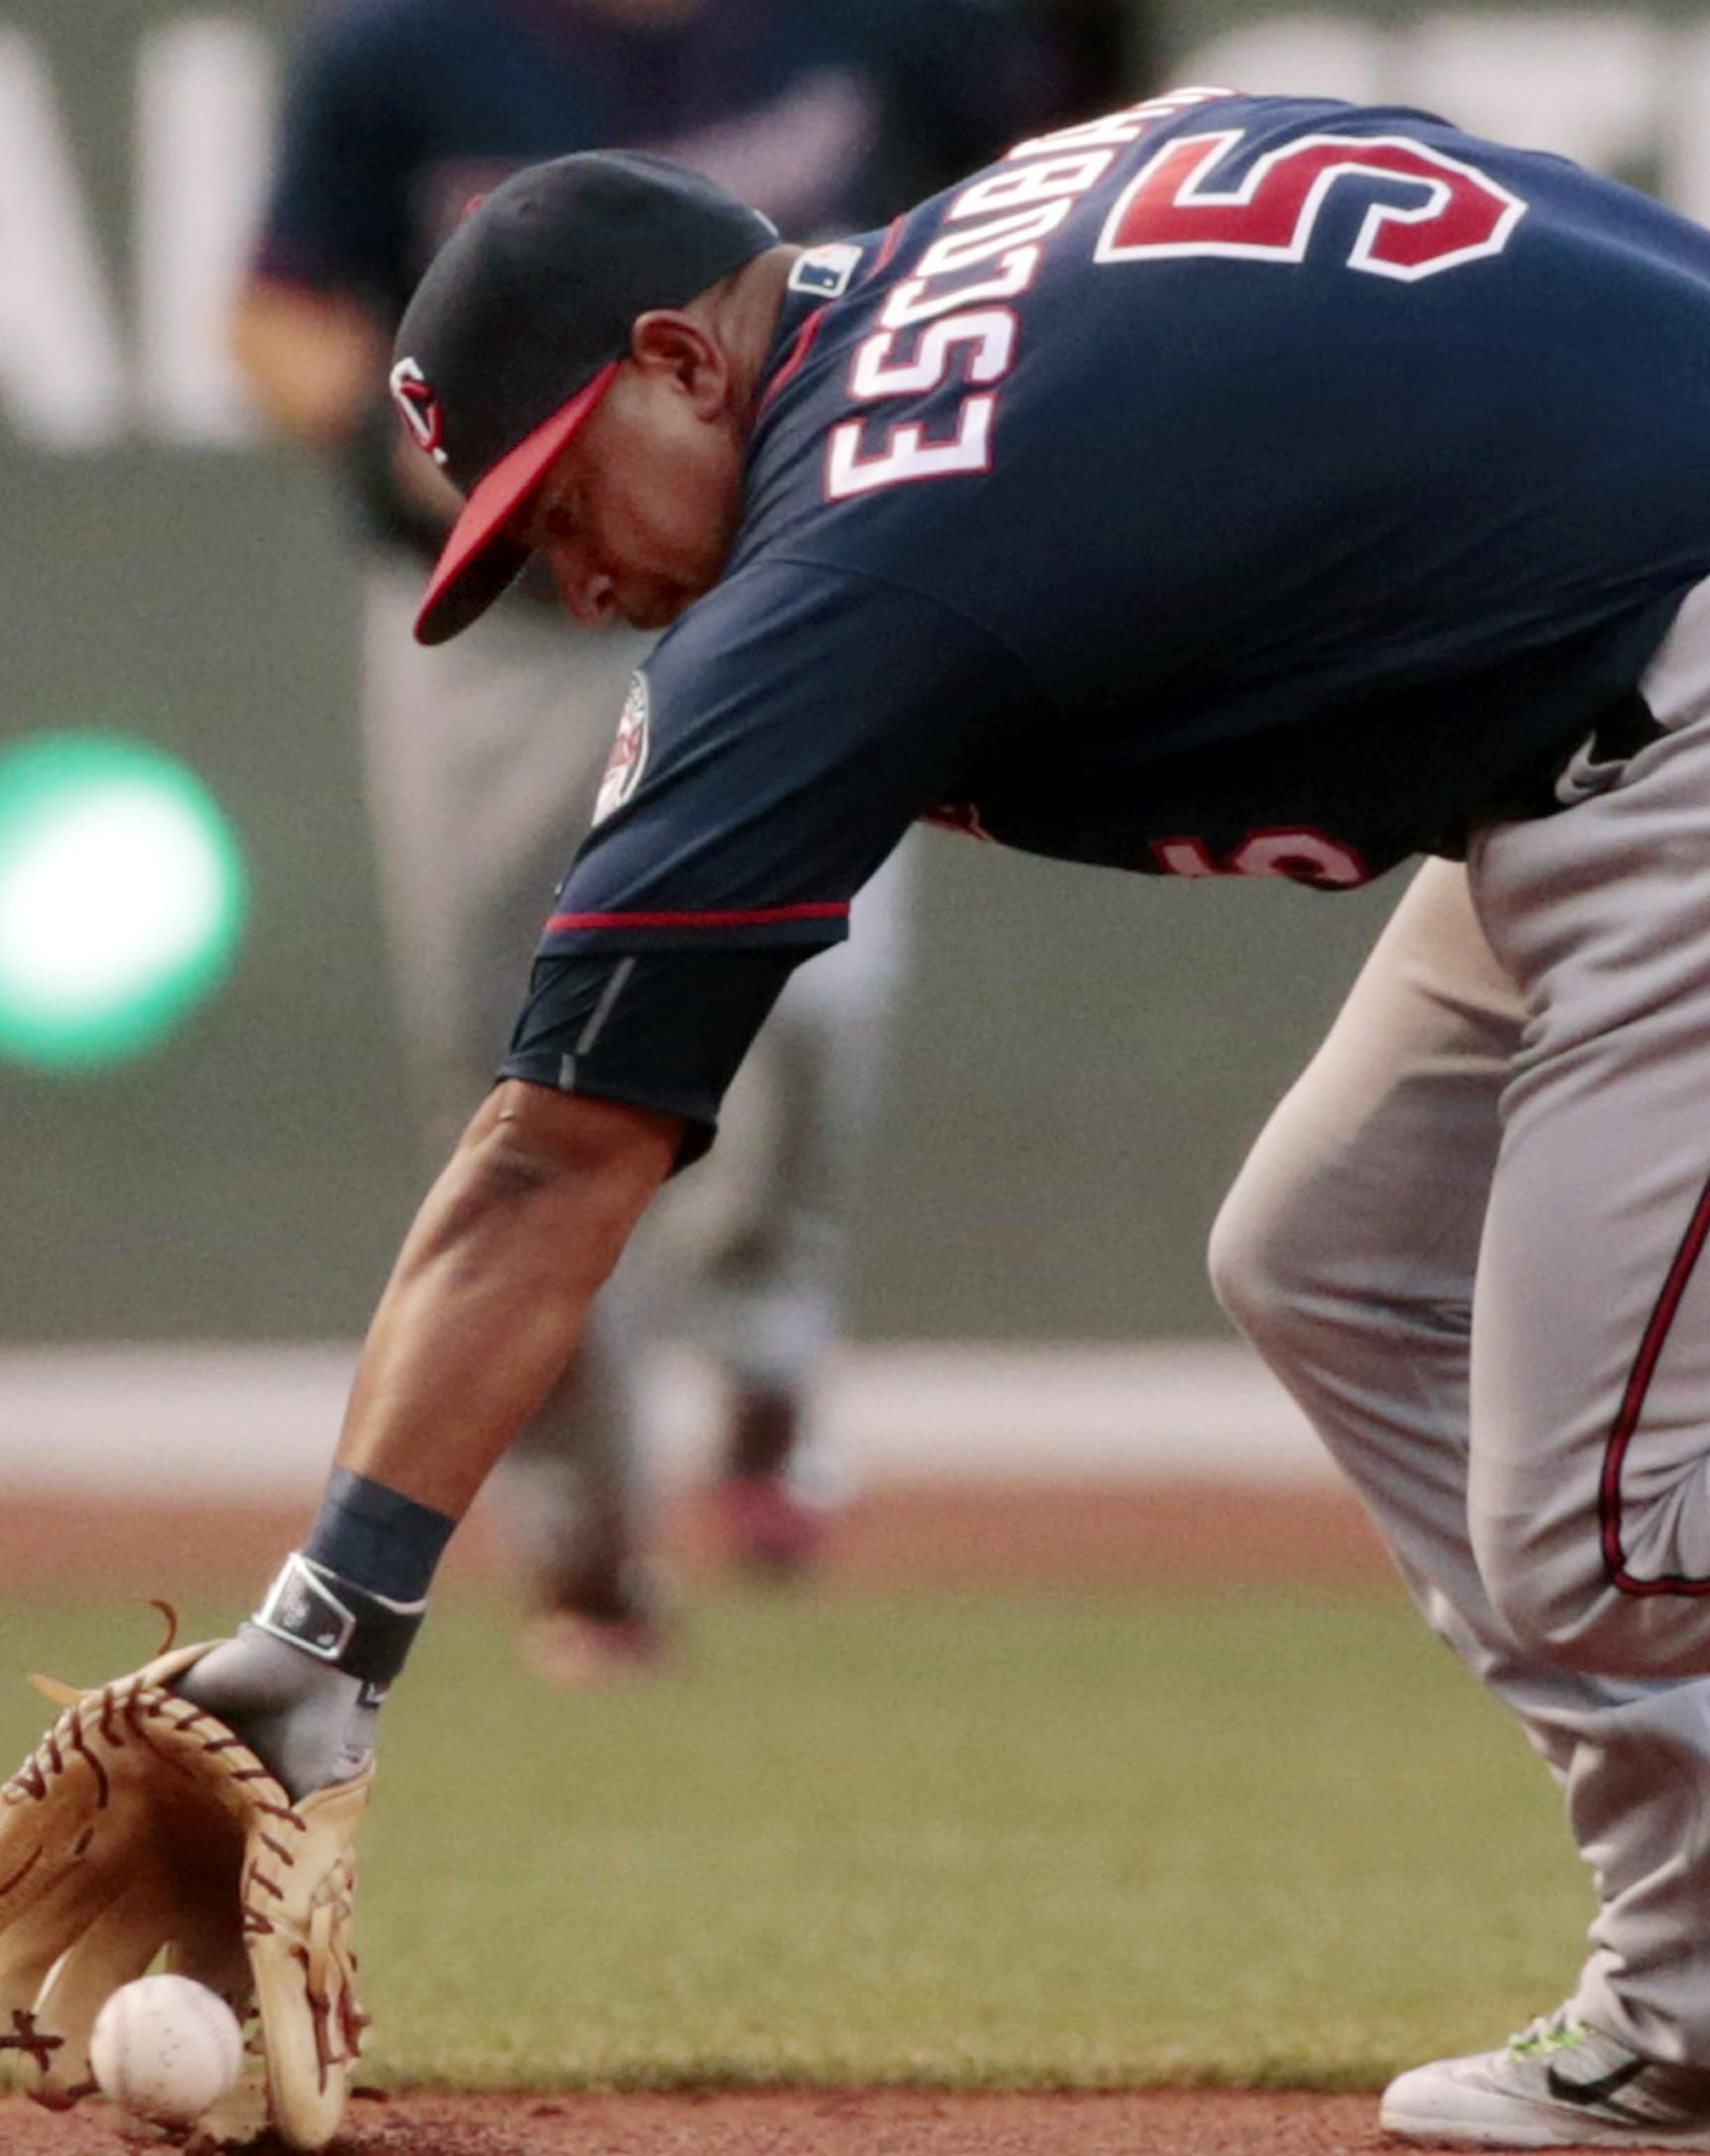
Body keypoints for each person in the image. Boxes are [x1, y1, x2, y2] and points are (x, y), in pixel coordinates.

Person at [172, 83, 1710, 2149]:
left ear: (680, 357)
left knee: (1614, 1529)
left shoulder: (853, 549)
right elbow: (1532, 268)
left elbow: (560, 1151)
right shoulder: (988, 237)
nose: (573, 581)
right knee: (1336, 1264)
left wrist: (333, 1625)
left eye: (564, 498)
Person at [232, 0, 1081, 1662]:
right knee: (516, 1079)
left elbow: (1038, 196)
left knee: (815, 1009)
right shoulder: (405, 47)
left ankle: (767, 1353)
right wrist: (431, 461)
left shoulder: (892, 29)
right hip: (507, 627)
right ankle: (584, 1530)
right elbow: (274, 313)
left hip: (809, 565)